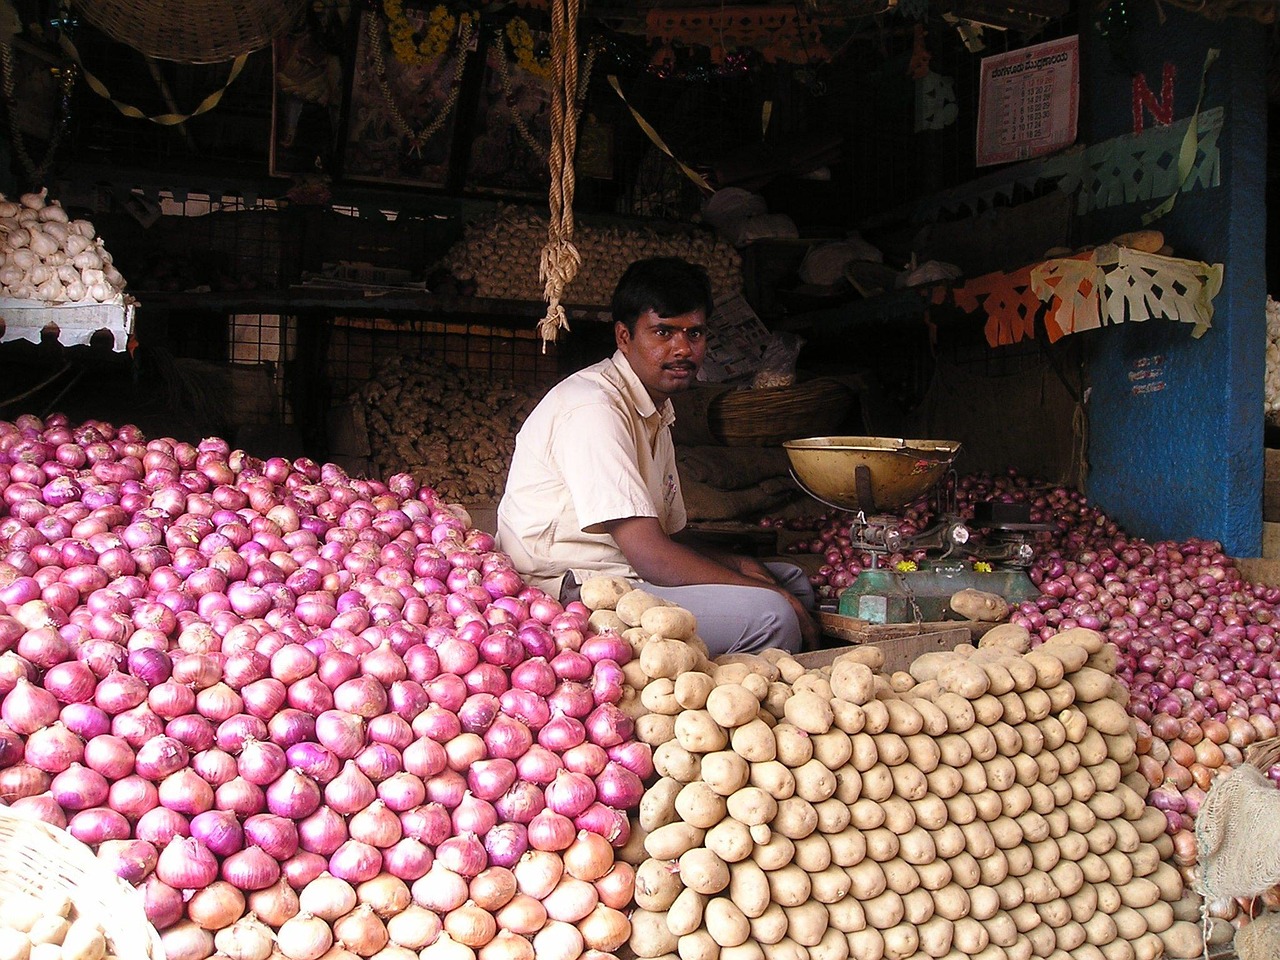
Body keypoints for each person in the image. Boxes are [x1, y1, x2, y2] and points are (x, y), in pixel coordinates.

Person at [496, 256, 819, 656]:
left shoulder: (654, 408)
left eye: (694, 333)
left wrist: (739, 566)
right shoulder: (594, 407)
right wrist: (760, 591)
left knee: (791, 581)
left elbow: (670, 536)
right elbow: (653, 558)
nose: (682, 349)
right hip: (569, 590)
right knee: (773, 613)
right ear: (623, 336)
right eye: (663, 332)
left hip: (623, 572)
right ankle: (717, 704)